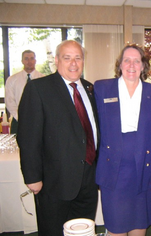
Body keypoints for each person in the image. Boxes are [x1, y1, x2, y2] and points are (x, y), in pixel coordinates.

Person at [17, 40, 99, 236]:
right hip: (55, 181)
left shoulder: (90, 89)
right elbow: (28, 138)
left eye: (78, 58)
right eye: (67, 57)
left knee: (83, 230)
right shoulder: (38, 89)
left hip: (88, 179)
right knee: (53, 231)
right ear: (56, 60)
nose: (73, 63)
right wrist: (33, 177)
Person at [94, 44, 151, 236]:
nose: (131, 65)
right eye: (127, 60)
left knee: (139, 222)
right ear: (119, 64)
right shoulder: (102, 88)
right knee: (116, 225)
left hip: (145, 168)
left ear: (143, 66)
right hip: (114, 170)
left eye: (137, 60)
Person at [5, 50, 44, 134]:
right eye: (26, 58)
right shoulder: (12, 80)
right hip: (18, 120)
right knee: (16, 146)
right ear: (22, 61)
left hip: (39, 122)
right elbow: (9, 101)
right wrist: (21, 118)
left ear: (35, 61)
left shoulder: (44, 79)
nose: (29, 61)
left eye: (32, 58)